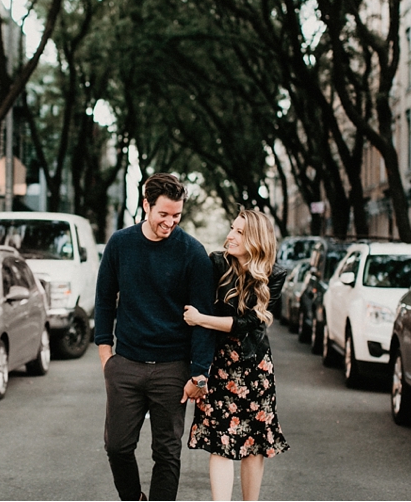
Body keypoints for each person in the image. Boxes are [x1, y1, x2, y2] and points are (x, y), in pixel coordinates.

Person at [94, 173, 216, 501]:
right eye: (163, 214)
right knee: (117, 446)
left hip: (173, 368)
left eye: (176, 216)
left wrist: (199, 374)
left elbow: (203, 318)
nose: (170, 222)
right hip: (127, 364)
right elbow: (104, 298)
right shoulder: (121, 244)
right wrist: (106, 356)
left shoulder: (192, 252)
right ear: (146, 205)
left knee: (167, 453)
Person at [184, 209, 290, 501]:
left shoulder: (274, 274)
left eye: (239, 232)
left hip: (255, 367)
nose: (230, 235)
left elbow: (248, 325)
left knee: (254, 444)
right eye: (232, 228)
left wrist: (201, 319)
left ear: (255, 238)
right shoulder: (216, 263)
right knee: (221, 442)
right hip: (219, 366)